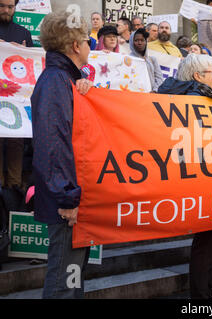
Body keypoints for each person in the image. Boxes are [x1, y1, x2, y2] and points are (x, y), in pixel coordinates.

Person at [31, 11, 94, 298]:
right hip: (65, 202)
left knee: (71, 279)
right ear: (74, 46)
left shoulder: (64, 80)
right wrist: (67, 196)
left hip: (71, 196)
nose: (90, 45)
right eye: (86, 40)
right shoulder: (56, 81)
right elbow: (52, 145)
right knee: (64, 284)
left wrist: (90, 95)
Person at [158, 54, 212, 299]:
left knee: (211, 239)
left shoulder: (203, 99)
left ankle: (207, 290)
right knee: (209, 240)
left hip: (205, 176)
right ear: (199, 76)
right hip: (204, 178)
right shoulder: (195, 102)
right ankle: (202, 296)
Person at [0, 0, 33, 212]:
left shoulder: (23, 32)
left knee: (15, 145)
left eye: (10, 6)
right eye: (2, 6)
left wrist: (24, 52)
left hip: (15, 104)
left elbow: (31, 65)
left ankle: (13, 194)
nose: (6, 10)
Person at [129, 28, 163, 92]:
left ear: (146, 42)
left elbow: (159, 78)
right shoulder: (128, 60)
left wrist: (155, 91)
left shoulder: (152, 60)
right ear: (131, 42)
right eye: (136, 40)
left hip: (151, 97)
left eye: (142, 40)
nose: (140, 43)